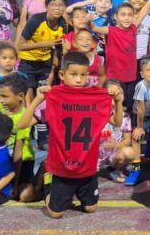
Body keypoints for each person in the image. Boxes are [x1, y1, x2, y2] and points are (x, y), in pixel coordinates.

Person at [18, 52, 124, 219]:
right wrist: (38, 99)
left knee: (90, 208)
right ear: (62, 74)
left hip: (87, 167)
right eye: (73, 74)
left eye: (83, 75)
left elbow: (117, 122)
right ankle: (48, 183)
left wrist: (118, 101)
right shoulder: (54, 97)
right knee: (55, 213)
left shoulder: (95, 97)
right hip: (62, 167)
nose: (78, 79)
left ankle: (74, 192)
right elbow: (22, 124)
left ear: (88, 76)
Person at [91, 2, 150, 116]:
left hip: (130, 79)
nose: (127, 18)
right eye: (123, 14)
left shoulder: (133, 28)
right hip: (114, 79)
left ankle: (126, 131)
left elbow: (143, 12)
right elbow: (94, 28)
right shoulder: (111, 30)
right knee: (112, 108)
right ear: (116, 16)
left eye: (130, 15)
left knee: (128, 109)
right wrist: (88, 19)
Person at [0, 73, 38, 202]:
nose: (1, 100)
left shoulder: (24, 118)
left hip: (22, 162)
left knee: (24, 196)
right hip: (1, 159)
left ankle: (41, 178)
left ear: (21, 96)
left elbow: (18, 153)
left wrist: (15, 184)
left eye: (5, 96)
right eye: (0, 95)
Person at [16, 0, 67, 103]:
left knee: (42, 100)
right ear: (46, 6)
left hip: (45, 64)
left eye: (61, 5)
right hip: (28, 63)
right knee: (28, 102)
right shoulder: (36, 20)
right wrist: (45, 44)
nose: (57, 8)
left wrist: (52, 73)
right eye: (53, 5)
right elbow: (20, 46)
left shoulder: (63, 25)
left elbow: (57, 52)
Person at [99, 79, 137, 183]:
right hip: (96, 154)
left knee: (129, 152)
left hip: (113, 154)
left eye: (120, 92)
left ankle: (113, 169)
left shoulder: (126, 117)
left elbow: (127, 140)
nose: (116, 96)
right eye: (112, 93)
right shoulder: (98, 111)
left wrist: (115, 144)